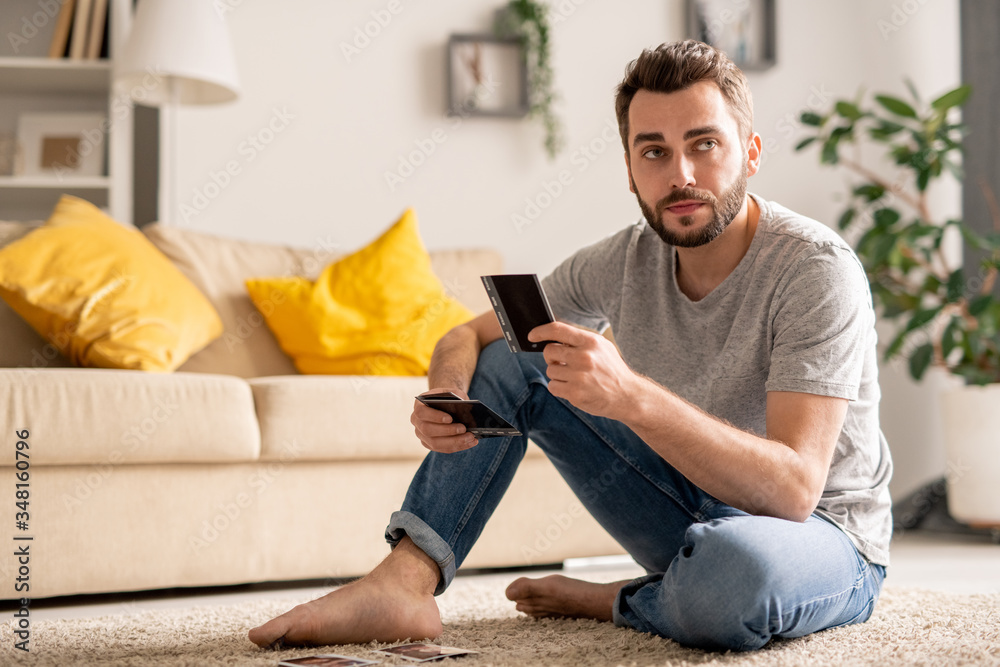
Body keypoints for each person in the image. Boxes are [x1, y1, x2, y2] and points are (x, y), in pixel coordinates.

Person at [249, 39, 892, 652]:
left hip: (818, 539)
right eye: (655, 152)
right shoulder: (621, 260)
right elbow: (468, 335)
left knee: (733, 578)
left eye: (705, 144)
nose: (682, 175)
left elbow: (794, 492)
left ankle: (618, 600)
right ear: (629, 170)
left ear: (751, 152)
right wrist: (448, 389)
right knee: (513, 359)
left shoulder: (814, 268)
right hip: (690, 513)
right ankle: (405, 582)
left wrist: (631, 397)